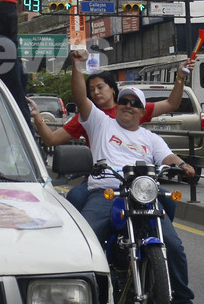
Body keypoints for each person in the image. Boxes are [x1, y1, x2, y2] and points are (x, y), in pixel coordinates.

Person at [70, 49, 204, 304]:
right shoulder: (100, 122)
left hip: (143, 196)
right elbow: (81, 97)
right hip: (107, 192)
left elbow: (168, 157)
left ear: (143, 112)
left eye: (134, 103)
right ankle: (76, 300)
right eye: (123, 101)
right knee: (85, 241)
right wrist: (77, 66)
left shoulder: (149, 137)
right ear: (117, 105)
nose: (128, 106)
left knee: (174, 246)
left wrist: (183, 165)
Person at [30, 65, 190, 216]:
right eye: (91, 90)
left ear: (141, 112)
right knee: (75, 198)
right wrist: (38, 117)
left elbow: (171, 104)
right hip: (103, 178)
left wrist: (180, 77)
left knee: (167, 203)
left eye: (100, 87)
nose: (96, 93)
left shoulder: (136, 115)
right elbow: (51, 139)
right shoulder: (93, 117)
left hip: (137, 182)